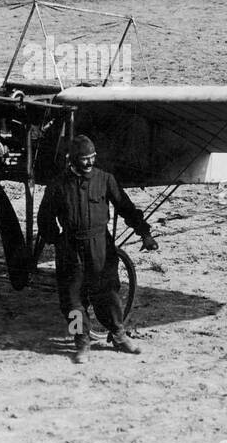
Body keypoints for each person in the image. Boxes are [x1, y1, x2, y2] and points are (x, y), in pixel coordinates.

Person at [37, 134, 158, 364]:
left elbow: (126, 207)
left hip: (100, 246)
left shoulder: (105, 180)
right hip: (70, 250)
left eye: (92, 158)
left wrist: (145, 233)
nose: (89, 163)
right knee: (71, 300)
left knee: (109, 292)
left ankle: (119, 336)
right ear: (72, 159)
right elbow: (44, 219)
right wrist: (59, 241)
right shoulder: (58, 185)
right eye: (84, 159)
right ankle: (81, 342)